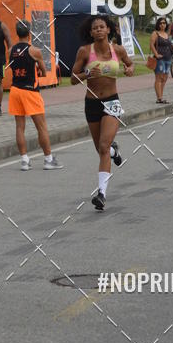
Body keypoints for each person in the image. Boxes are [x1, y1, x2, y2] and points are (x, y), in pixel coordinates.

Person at [71, 15, 134, 211]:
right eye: (95, 28)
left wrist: (129, 69)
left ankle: (101, 194)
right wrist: (87, 74)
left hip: (111, 102)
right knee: (101, 149)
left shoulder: (118, 50)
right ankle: (115, 152)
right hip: (92, 103)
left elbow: (130, 64)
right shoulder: (84, 51)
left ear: (108, 30)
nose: (98, 30)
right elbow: (73, 78)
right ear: (90, 32)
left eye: (102, 27)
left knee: (104, 146)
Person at [8, 21, 62, 170]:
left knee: (20, 127)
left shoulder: (11, 50)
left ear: (17, 33)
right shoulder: (35, 51)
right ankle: (48, 159)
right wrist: (38, 71)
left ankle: (24, 160)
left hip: (15, 90)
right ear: (29, 33)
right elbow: (43, 72)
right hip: (30, 91)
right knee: (41, 127)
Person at [149, 17, 173, 103]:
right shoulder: (155, 33)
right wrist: (156, 54)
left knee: (164, 78)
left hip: (168, 58)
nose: (162, 25)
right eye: (161, 23)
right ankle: (159, 98)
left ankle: (161, 96)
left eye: (164, 23)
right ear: (158, 24)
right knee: (159, 78)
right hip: (160, 59)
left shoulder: (166, 34)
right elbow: (151, 45)